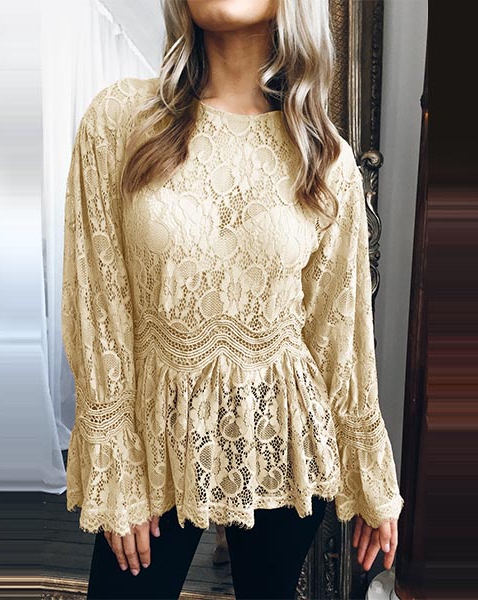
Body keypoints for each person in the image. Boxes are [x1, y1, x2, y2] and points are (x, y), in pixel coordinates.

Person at [60, 0, 405, 598]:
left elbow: (339, 333)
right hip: (156, 442)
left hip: (282, 436)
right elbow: (98, 301)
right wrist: (116, 463)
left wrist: (371, 474)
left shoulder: (324, 158)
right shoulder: (119, 121)